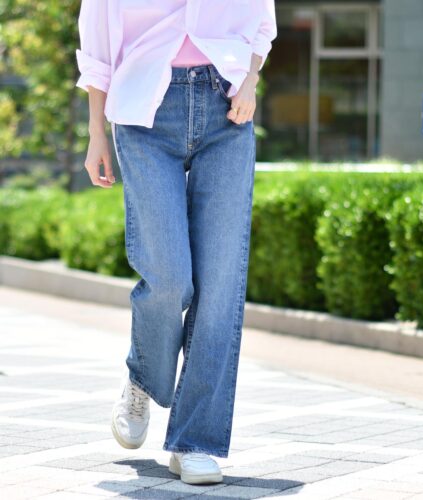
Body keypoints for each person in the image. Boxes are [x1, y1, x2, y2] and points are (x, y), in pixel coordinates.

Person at [75, 0, 277, 486]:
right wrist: (96, 132)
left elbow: (261, 21)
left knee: (220, 286)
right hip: (144, 110)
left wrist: (250, 79)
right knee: (168, 278)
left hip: (227, 107)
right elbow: (97, 48)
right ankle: (143, 375)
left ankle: (194, 441)